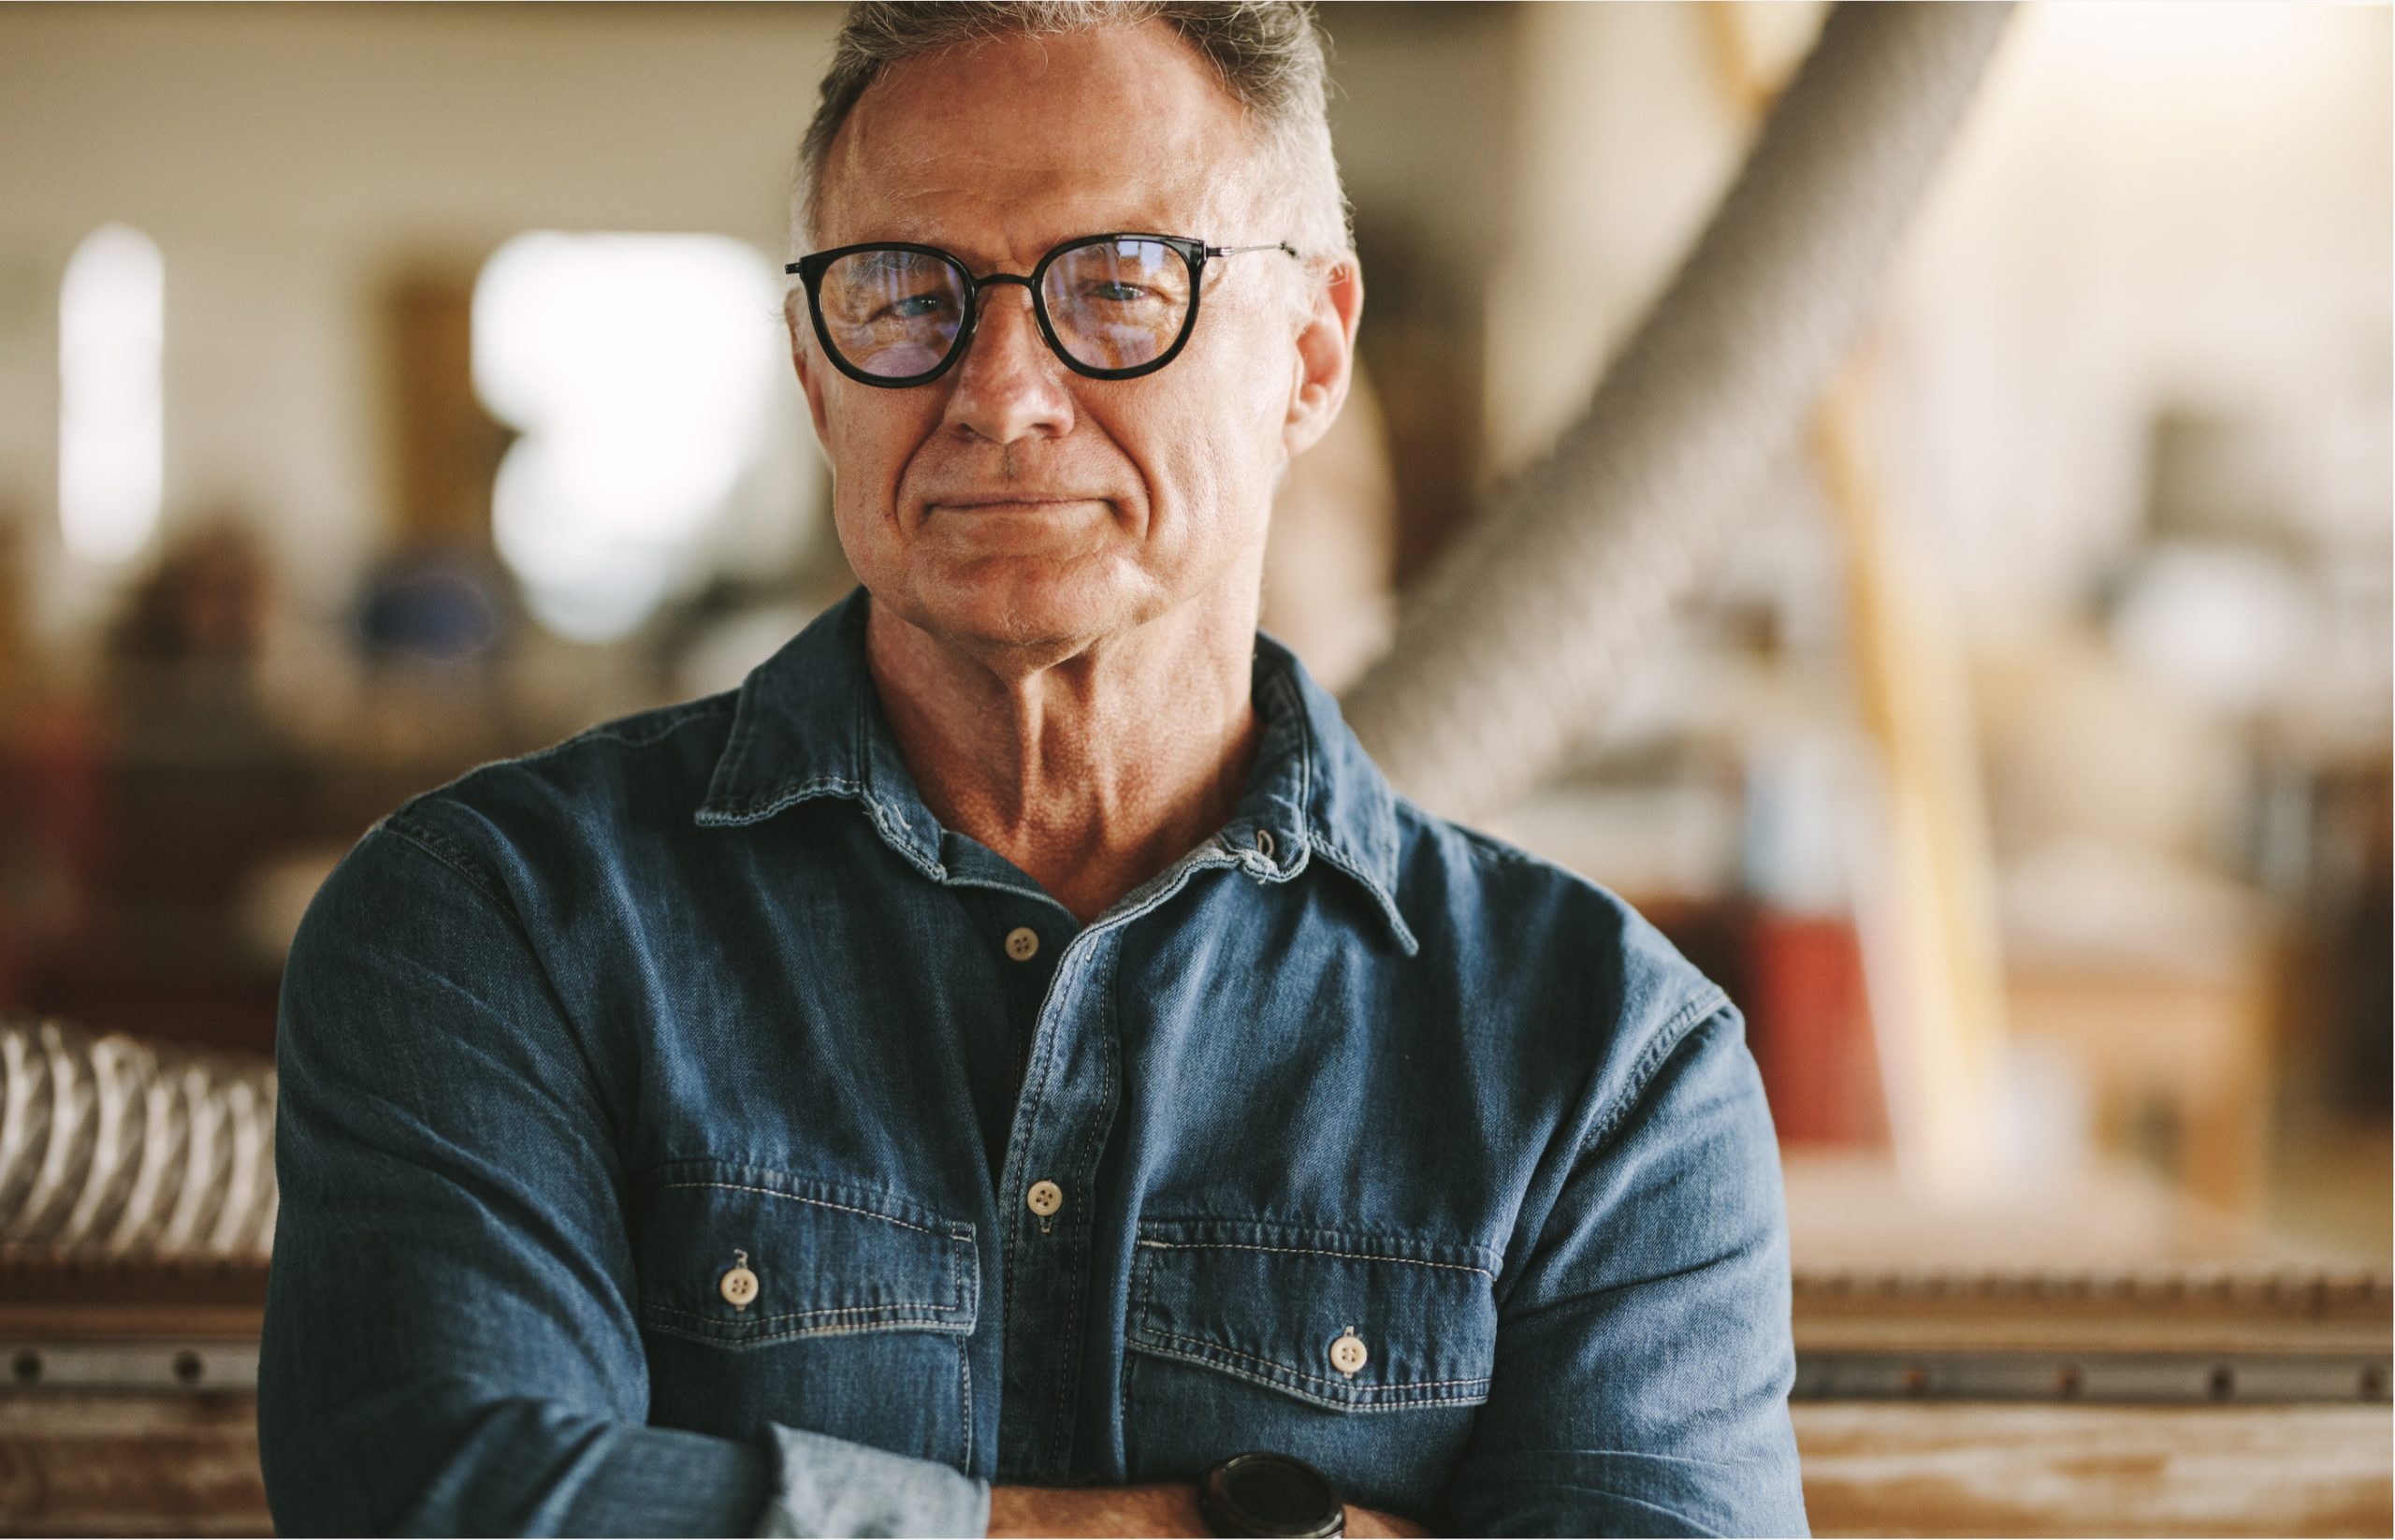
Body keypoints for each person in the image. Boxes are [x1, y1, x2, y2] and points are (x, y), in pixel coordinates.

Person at [256, 4, 1808, 1534]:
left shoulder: (1606, 1064)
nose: (998, 390)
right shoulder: (496, 924)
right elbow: (446, 1502)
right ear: (815, 371)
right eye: (901, 293)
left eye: (1122, 286)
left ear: (1311, 356)